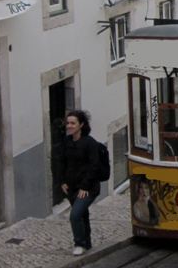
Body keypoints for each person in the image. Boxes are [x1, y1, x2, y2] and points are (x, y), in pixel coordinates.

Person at [57, 110, 101, 256]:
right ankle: (87, 243)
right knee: (82, 215)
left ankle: (79, 244)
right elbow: (61, 162)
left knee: (75, 215)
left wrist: (85, 186)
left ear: (81, 124)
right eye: (68, 123)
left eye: (72, 123)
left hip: (88, 188)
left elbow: (94, 166)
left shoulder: (90, 143)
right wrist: (62, 181)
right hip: (71, 187)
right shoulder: (66, 142)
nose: (69, 126)